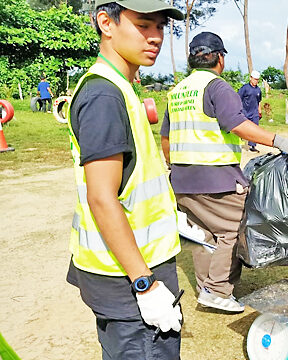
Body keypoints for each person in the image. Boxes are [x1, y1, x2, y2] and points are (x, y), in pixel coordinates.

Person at [65, 1, 185, 359]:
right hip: (129, 281)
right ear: (106, 22)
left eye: (161, 27)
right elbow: (102, 197)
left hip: (136, 266)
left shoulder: (122, 87)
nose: (156, 37)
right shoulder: (104, 95)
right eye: (144, 25)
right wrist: (145, 285)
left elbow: (132, 182)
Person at [161, 32, 288, 312]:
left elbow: (166, 137)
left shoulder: (177, 92)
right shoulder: (217, 87)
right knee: (234, 228)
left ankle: (207, 287)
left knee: (203, 233)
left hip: (182, 181)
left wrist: (174, 165)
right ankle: (218, 289)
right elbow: (237, 124)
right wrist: (278, 141)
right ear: (220, 58)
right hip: (216, 180)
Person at [238, 70, 263, 152]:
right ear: (250, 78)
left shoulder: (258, 90)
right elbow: (238, 98)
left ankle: (252, 146)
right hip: (245, 111)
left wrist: (260, 111)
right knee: (243, 129)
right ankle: (239, 142)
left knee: (255, 129)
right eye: (254, 79)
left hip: (254, 112)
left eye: (257, 79)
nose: (255, 81)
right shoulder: (244, 88)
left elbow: (259, 101)